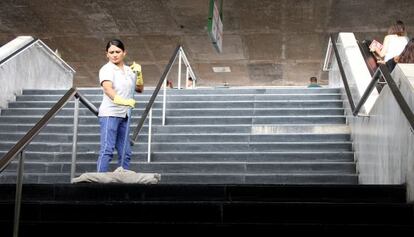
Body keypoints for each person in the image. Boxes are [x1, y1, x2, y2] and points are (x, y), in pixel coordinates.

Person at [97, 39, 144, 172]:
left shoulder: (129, 70)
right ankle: (99, 185)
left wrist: (139, 75)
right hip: (110, 115)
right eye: (111, 52)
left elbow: (139, 89)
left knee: (126, 152)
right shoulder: (106, 69)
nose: (114, 54)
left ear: (124, 53)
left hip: (124, 116)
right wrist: (123, 101)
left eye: (118, 51)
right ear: (107, 54)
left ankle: (122, 181)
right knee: (107, 150)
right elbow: (108, 89)